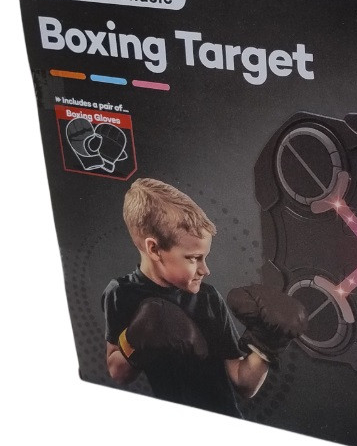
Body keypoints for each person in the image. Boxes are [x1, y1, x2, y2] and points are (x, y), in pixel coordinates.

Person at [103, 178, 300, 418]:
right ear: (154, 249)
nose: (205, 270)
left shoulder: (208, 299)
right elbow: (118, 373)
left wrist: (266, 343)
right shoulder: (122, 293)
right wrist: (137, 337)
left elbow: (243, 383)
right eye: (193, 258)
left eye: (204, 257)